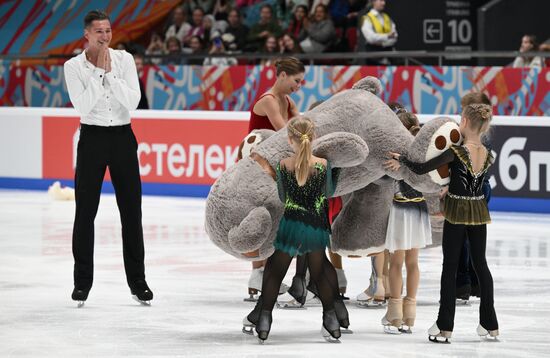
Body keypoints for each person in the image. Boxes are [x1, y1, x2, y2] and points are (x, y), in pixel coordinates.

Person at [385, 104, 499, 343]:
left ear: (465, 122)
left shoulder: (456, 152)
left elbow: (422, 168)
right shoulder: (488, 154)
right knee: (481, 265)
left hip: (457, 211)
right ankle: (490, 324)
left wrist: (401, 159)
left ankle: (445, 326)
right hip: (478, 209)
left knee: (450, 267)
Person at [63, 10, 153, 306]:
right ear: (87, 35)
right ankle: (82, 283)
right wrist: (99, 72)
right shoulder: (73, 66)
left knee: (132, 211)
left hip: (122, 139)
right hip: (92, 139)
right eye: (99, 31)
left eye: (108, 30)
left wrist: (110, 73)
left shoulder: (124, 60)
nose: (105, 36)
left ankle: (138, 281)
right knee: (85, 212)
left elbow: (133, 101)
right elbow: (83, 106)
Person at [242, 116, 346, 343]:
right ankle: (331, 321)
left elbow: (283, 196)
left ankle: (264, 320)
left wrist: (270, 171)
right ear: (314, 137)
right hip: (316, 226)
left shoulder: (283, 165)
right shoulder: (323, 164)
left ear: (290, 140)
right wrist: (335, 173)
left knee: (275, 272)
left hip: (292, 224)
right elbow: (328, 192)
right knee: (318, 274)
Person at [245, 57, 304, 300]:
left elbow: (302, 125)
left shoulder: (287, 100)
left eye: (301, 82)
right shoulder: (269, 101)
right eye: (296, 80)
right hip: (256, 167)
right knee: (263, 215)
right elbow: (286, 132)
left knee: (275, 216)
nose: (298, 86)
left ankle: (264, 274)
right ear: (281, 76)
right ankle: (258, 274)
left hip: (272, 167)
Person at [381, 112, 432, 334]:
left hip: (401, 208)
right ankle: (409, 314)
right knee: (413, 263)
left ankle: (394, 315)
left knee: (396, 263)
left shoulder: (397, 155)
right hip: (419, 208)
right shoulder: (423, 155)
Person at [455, 92, 492, 303]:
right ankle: (474, 283)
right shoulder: (483, 136)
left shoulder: (470, 139)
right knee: (473, 240)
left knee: (462, 239)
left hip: (468, 191)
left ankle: (463, 283)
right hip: (481, 190)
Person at [356, 0, 397, 65]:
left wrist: (382, 44)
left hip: (389, 55)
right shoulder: (367, 18)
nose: (384, 3)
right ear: (373, 2)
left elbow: (394, 37)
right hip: (373, 56)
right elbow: (371, 38)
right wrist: (387, 36)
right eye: (380, 0)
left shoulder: (387, 17)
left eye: (384, 1)